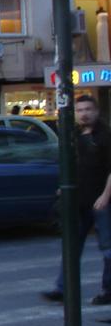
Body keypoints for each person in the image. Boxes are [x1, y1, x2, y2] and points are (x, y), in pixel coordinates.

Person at [43, 94, 111, 305]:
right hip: (78, 200)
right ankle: (63, 287)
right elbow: (70, 165)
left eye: (88, 109)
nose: (84, 114)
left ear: (96, 112)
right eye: (80, 110)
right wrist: (64, 188)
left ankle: (108, 290)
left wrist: (105, 196)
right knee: (72, 245)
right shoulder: (73, 135)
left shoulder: (105, 136)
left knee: (107, 248)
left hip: (101, 201)